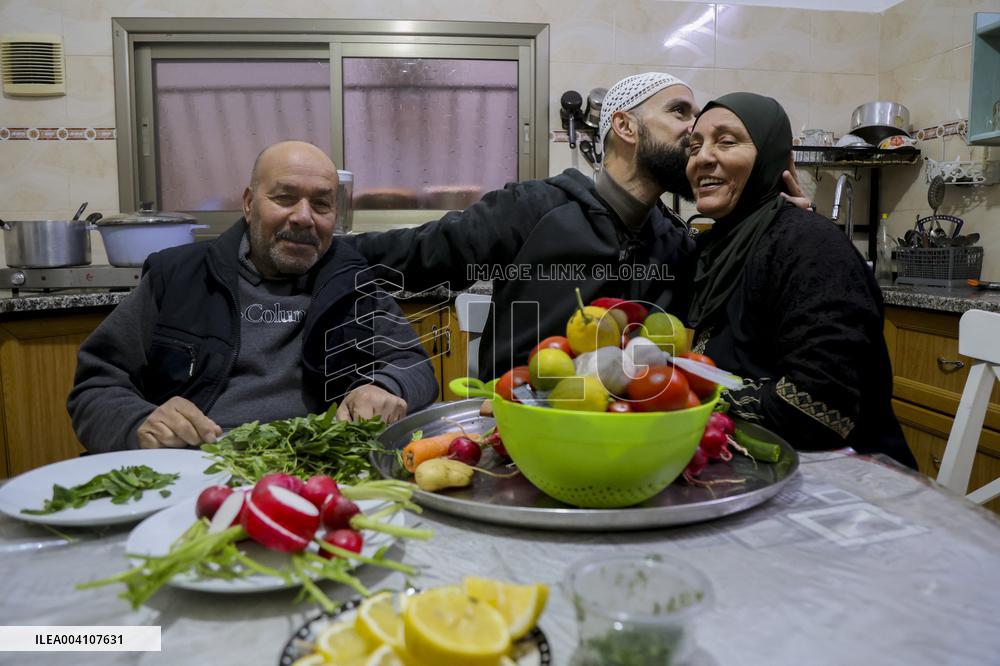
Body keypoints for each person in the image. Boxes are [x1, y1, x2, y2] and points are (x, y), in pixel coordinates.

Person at [349, 72, 810, 379]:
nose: (696, 131)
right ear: (625, 127)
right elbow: (415, 255)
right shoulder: (532, 208)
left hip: (628, 435)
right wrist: (322, 249)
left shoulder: (677, 244)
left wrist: (782, 228)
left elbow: (741, 311)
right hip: (518, 428)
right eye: (680, 112)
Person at [68, 141, 437, 453]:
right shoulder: (177, 276)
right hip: (195, 465)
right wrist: (139, 423)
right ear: (248, 203)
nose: (304, 217)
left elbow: (413, 364)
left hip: (322, 463)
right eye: (285, 198)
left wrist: (385, 387)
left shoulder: (352, 278)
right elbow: (97, 385)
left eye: (321, 204)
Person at [683, 92, 914, 465]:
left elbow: (818, 408)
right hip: (749, 460)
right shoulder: (716, 249)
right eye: (694, 147)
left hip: (845, 476)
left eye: (726, 141)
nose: (702, 158)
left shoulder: (809, 245)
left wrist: (689, 396)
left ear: (771, 157)